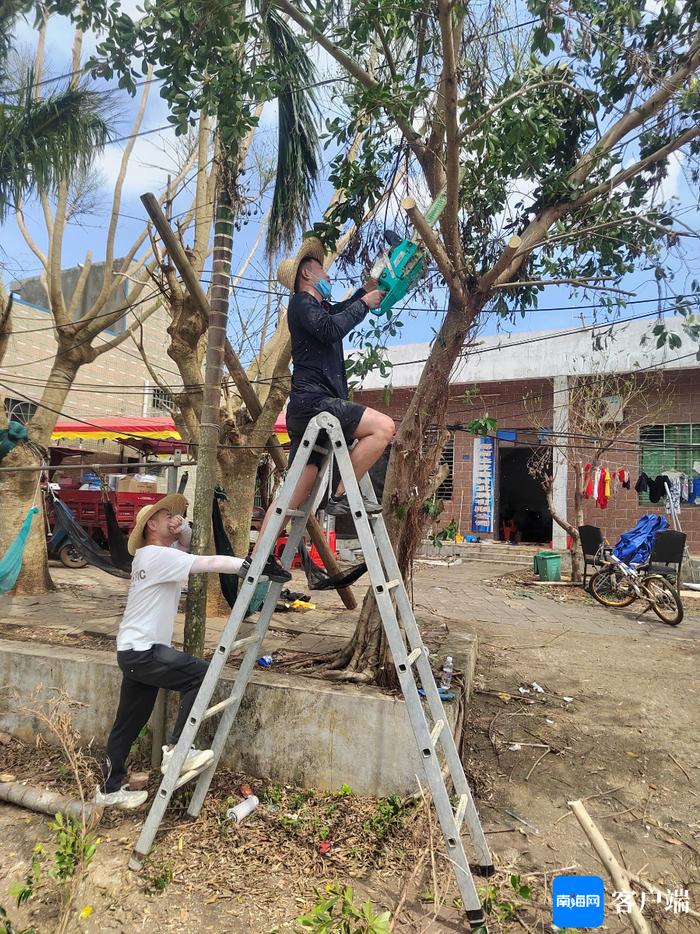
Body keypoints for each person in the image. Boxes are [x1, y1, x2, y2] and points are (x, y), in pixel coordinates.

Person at [250, 239, 395, 578]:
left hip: (310, 409)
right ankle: (340, 494)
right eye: (323, 269)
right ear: (307, 273)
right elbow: (333, 328)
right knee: (383, 428)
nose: (328, 274)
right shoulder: (301, 303)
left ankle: (257, 557)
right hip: (316, 405)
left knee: (295, 492)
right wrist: (364, 304)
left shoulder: (317, 308)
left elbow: (339, 311)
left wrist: (368, 288)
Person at [96, 494, 246, 810]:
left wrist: (184, 530)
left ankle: (110, 789)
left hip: (134, 652)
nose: (173, 518)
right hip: (144, 652)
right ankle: (178, 749)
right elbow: (207, 562)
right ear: (151, 524)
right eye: (167, 516)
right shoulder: (156, 557)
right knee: (201, 674)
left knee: (129, 722)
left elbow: (186, 547)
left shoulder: (152, 557)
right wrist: (247, 566)